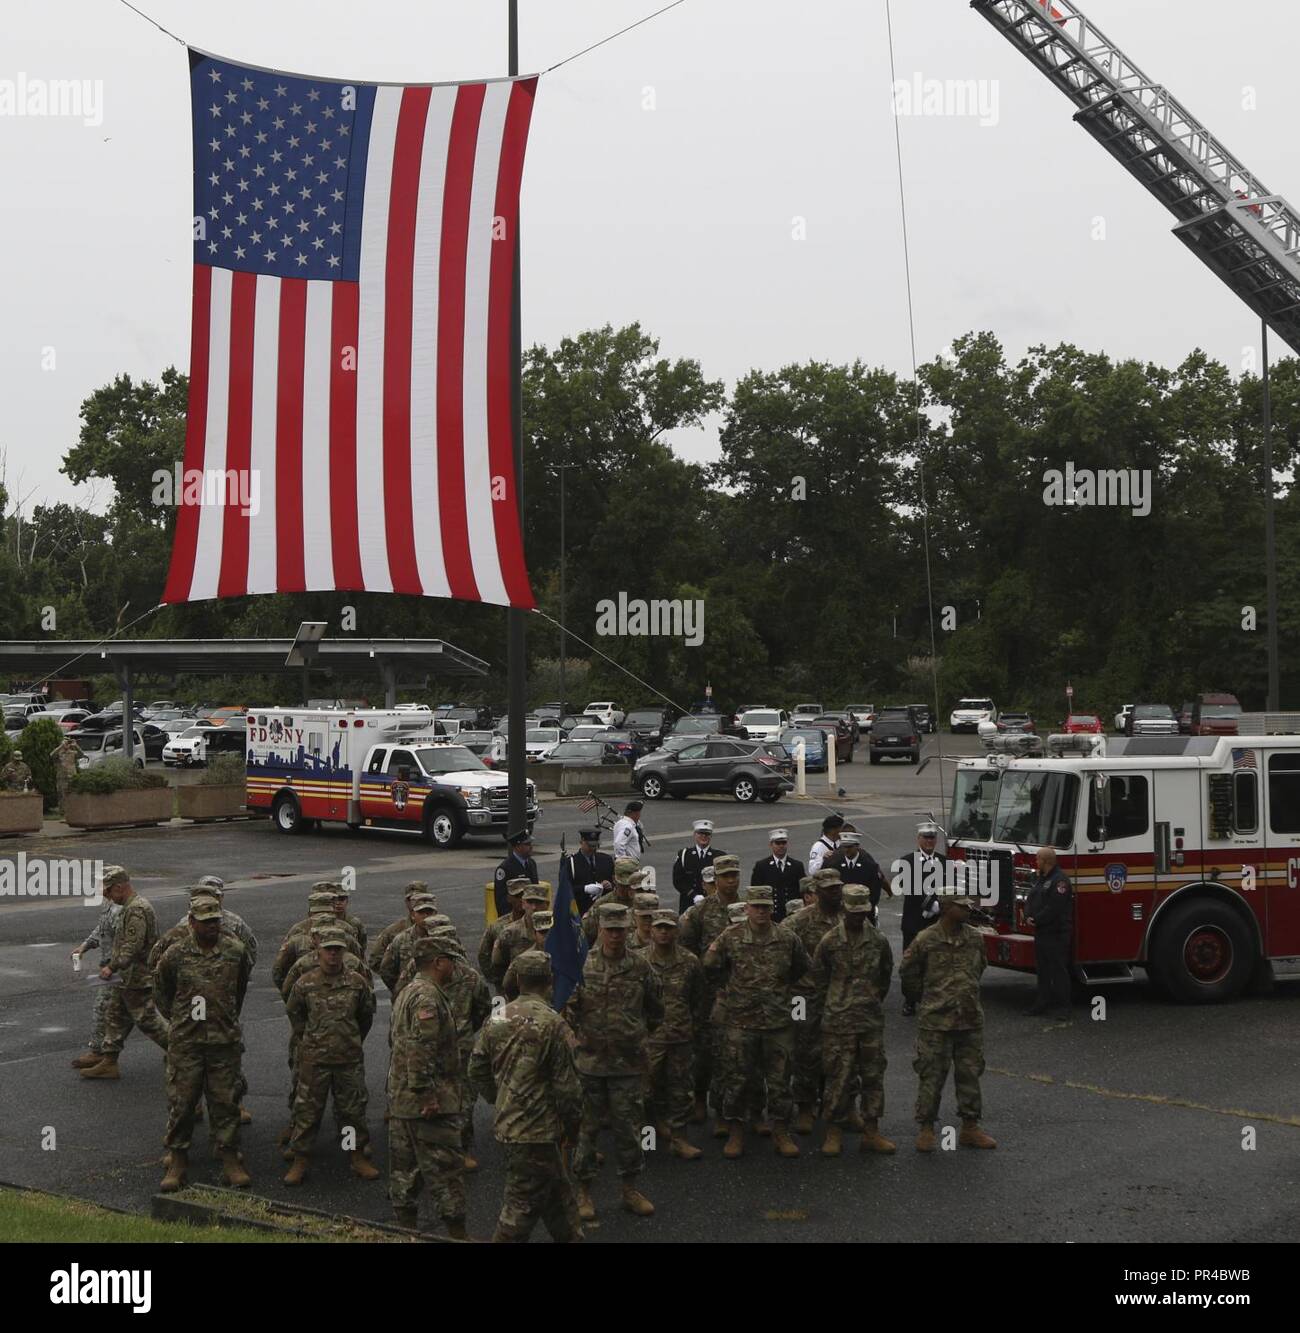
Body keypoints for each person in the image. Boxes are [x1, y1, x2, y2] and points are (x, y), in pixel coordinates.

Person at [468, 951, 584, 1243]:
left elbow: (476, 1067)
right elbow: (567, 1090)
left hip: (511, 1125)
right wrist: (573, 1130)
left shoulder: (496, 1019)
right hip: (538, 1132)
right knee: (520, 1209)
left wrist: (501, 1099)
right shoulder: (555, 1025)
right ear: (550, 982)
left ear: (518, 981)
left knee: (559, 1199)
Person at [564, 901, 663, 1222]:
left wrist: (634, 1037)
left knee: (629, 1130)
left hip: (627, 1065)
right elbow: (566, 1010)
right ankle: (583, 1193)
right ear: (601, 931)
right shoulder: (583, 965)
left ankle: (630, 1189)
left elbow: (656, 1010)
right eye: (610, 930)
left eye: (621, 930)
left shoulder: (640, 966)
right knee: (586, 1132)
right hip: (589, 1065)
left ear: (628, 929)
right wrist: (574, 1039)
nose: (616, 936)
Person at [703, 884, 812, 1160]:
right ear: (747, 908)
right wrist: (727, 992)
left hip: (777, 1022)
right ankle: (737, 1130)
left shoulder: (787, 938)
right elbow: (710, 965)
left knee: (779, 1081)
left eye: (766, 907)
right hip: (741, 1020)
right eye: (756, 906)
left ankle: (780, 1131)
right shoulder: (732, 936)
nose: (761, 912)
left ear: (771, 908)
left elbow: (801, 968)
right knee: (738, 1078)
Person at [154, 893, 253, 1191]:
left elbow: (239, 989)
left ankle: (229, 1158)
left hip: (223, 1041)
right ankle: (178, 1158)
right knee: (182, 1103)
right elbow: (161, 991)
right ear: (192, 922)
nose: (212, 926)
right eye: (205, 921)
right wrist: (180, 1020)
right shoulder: (176, 954)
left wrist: (224, 1016)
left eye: (215, 921)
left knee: (225, 1102)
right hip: (187, 1042)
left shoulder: (236, 951)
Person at [283, 925, 379, 1185]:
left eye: (338, 950)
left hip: (348, 1060)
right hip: (314, 1061)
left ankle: (356, 1157)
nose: (333, 955)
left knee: (352, 1112)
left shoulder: (357, 984)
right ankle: (301, 1160)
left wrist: (350, 1040)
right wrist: (312, 1040)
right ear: (318, 952)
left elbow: (365, 1017)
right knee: (307, 1113)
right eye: (328, 950)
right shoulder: (305, 984)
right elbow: (296, 1015)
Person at [899, 897, 996, 1152]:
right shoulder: (926, 939)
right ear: (944, 908)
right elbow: (908, 972)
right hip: (936, 1021)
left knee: (970, 1074)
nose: (967, 909)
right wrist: (926, 998)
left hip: (969, 1017)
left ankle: (970, 1127)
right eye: (960, 906)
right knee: (931, 1075)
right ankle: (926, 1128)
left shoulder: (975, 938)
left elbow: (981, 967)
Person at [387, 935, 468, 1237]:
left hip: (402, 1101)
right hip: (427, 1105)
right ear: (438, 962)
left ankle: (405, 1233)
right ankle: (458, 1235)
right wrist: (428, 1095)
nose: (455, 967)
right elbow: (421, 1047)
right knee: (446, 1172)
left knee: (404, 1173)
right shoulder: (428, 997)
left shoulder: (409, 990)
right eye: (451, 960)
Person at [812, 884, 895, 1156]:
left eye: (863, 911)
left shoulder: (879, 940)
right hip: (838, 1023)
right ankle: (833, 1132)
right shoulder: (830, 941)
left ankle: (871, 1132)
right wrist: (836, 1004)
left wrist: (870, 999)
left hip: (869, 1020)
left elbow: (885, 976)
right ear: (844, 910)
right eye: (854, 912)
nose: (859, 917)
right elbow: (820, 979)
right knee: (838, 1078)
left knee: (873, 1077)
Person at [80, 866, 169, 1079]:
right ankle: (109, 1061)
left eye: (108, 891)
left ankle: (183, 1052)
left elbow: (132, 945)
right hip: (127, 976)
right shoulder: (127, 906)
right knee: (114, 1014)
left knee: (148, 1020)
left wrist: (112, 966)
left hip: (138, 976)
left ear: (120, 887)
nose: (106, 896)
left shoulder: (137, 909)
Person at [678, 853, 743, 1126]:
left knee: (737, 1053)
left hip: (741, 990)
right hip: (708, 992)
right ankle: (700, 1099)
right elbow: (686, 951)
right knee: (704, 1051)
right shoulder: (699, 912)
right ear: (715, 880)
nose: (730, 881)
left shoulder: (747, 908)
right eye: (725, 876)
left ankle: (729, 1109)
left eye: (734, 875)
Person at [784, 867, 846, 1136]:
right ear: (816, 892)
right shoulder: (798, 922)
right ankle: (806, 1107)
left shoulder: (849, 916)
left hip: (840, 996)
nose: (835, 892)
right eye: (830, 888)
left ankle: (839, 1107)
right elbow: (783, 958)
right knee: (805, 1051)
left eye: (837, 887)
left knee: (840, 1053)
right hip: (805, 997)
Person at [644, 909, 708, 1160]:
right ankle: (649, 1137)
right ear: (651, 930)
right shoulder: (640, 961)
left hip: (681, 1035)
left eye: (668, 927)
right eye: (659, 927)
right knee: (645, 1091)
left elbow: (698, 998)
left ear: (676, 931)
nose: (663, 932)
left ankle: (679, 1139)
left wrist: (692, 1025)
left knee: (681, 1089)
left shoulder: (690, 961)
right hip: (650, 1038)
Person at [69, 897, 123, 1069]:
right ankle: (100, 1053)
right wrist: (84, 946)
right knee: (141, 1016)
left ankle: (98, 1053)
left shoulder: (120, 910)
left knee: (144, 1018)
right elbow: (101, 930)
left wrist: (113, 966)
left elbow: (128, 943)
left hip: (120, 969)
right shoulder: (110, 905)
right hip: (114, 967)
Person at [897, 822, 944, 1016]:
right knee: (911, 963)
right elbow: (908, 887)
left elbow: (948, 887)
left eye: (932, 838)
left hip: (935, 922)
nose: (929, 841)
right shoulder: (907, 861)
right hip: (913, 921)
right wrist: (928, 904)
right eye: (925, 837)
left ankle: (932, 999)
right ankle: (910, 1000)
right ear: (918, 839)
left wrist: (939, 905)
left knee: (934, 962)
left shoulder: (944, 861)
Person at [1025, 847, 1074, 1019]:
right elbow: (1031, 898)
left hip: (1056, 933)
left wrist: (1036, 919)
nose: (1035, 862)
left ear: (1046, 861)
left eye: (1038, 859)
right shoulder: (1041, 879)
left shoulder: (1060, 881)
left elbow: (1054, 908)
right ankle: (1042, 1003)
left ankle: (1063, 1007)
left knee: (1058, 970)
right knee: (1043, 970)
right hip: (1042, 932)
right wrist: (1028, 915)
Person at [491, 884, 551, 987]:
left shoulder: (559, 932)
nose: (534, 907)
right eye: (530, 902)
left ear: (547, 904)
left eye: (539, 902)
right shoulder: (510, 933)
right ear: (523, 904)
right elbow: (497, 965)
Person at [368, 882, 434, 972]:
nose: (414, 903)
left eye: (420, 899)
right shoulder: (394, 931)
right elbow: (375, 962)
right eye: (411, 899)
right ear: (406, 902)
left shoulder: (442, 930)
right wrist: (399, 982)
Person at [478, 878, 529, 983]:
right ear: (509, 898)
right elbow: (483, 955)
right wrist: (496, 980)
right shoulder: (498, 926)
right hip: (507, 985)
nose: (521, 899)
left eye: (525, 895)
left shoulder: (538, 924)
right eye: (517, 896)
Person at [749, 829, 805, 921]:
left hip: (792, 915)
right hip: (771, 916)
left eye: (783, 843)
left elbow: (801, 891)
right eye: (777, 843)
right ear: (771, 845)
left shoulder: (797, 865)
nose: (781, 846)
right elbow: (755, 891)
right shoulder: (762, 866)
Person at [581, 857, 640, 943]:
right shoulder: (602, 905)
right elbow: (585, 935)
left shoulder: (644, 904)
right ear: (614, 880)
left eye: (631, 885)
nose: (628, 889)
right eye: (623, 885)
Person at [672, 820, 723, 913]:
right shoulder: (684, 855)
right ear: (694, 835)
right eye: (700, 833)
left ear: (711, 836)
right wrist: (693, 895)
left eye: (707, 834)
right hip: (688, 904)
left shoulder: (719, 857)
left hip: (712, 905)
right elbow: (678, 880)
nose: (704, 836)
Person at [501, 909, 553, 1002]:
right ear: (534, 933)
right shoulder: (524, 959)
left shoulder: (566, 956)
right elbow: (508, 985)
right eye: (542, 933)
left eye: (550, 932)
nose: (547, 937)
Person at [493, 832, 539, 919]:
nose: (531, 847)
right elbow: (501, 900)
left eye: (530, 844)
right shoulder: (505, 868)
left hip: (530, 915)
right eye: (527, 844)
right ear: (517, 847)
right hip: (515, 917)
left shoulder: (532, 863)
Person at [564, 827, 615, 902]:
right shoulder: (571, 862)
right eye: (589, 845)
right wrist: (585, 888)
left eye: (595, 846)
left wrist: (610, 885)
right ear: (581, 842)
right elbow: (565, 889)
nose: (592, 849)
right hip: (581, 907)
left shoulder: (606, 860)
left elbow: (616, 882)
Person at [54, 735, 82, 807]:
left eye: (68, 743)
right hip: (62, 777)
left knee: (73, 792)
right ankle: (63, 810)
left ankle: (73, 808)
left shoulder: (72, 752)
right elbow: (52, 755)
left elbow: (81, 754)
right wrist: (61, 746)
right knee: (62, 794)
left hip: (72, 775)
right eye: (65, 743)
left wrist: (76, 746)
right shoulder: (59, 753)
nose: (67, 745)